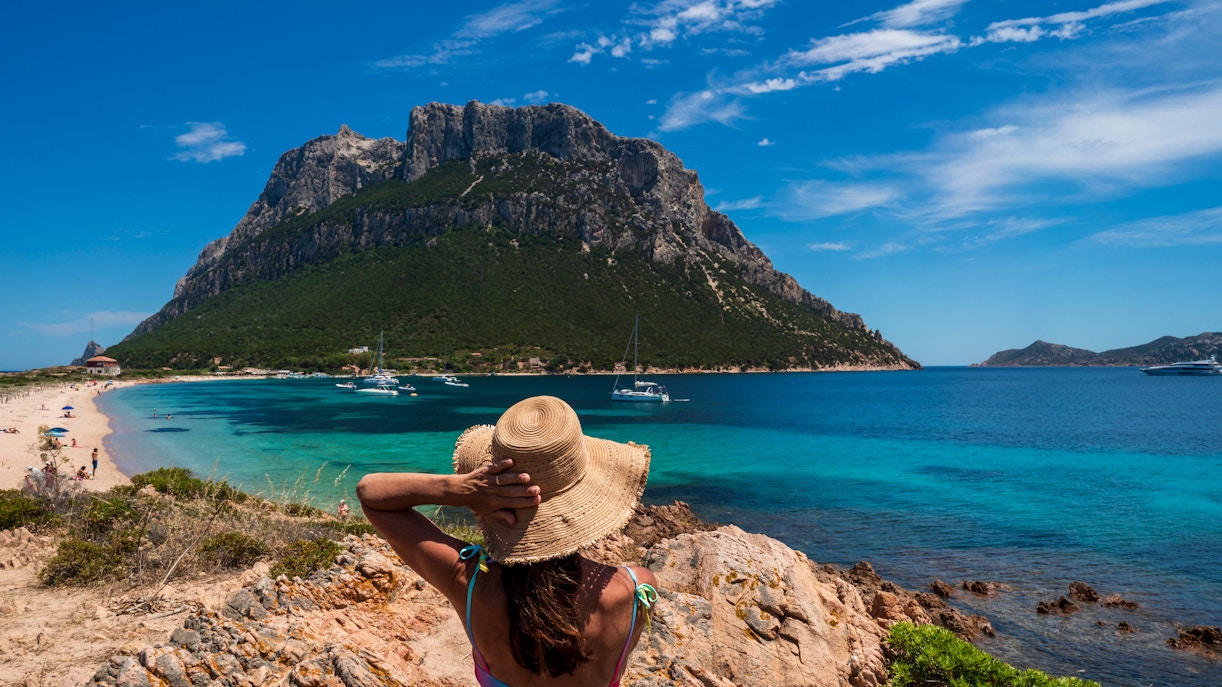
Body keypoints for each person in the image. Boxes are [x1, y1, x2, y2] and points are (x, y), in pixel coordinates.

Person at [357, 395, 656, 687]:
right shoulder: (637, 590)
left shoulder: (468, 583)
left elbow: (370, 494)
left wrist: (459, 490)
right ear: (585, 497)